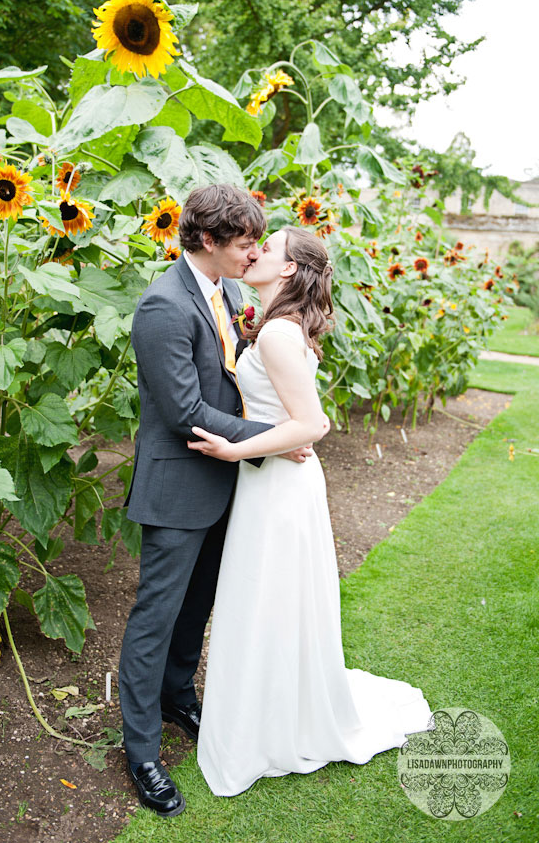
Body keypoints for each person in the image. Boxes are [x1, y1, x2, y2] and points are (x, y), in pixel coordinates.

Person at [188, 225, 435, 797]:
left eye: (266, 249)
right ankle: (274, 708)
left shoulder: (278, 333)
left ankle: (269, 722)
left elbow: (312, 424)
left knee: (265, 594)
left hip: (276, 483)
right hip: (274, 481)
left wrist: (234, 447)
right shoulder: (273, 326)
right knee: (271, 596)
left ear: (290, 270)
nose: (254, 253)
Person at [119, 185, 316, 817]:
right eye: (244, 243)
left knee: (198, 605)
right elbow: (184, 413)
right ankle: (141, 748)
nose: (253, 252)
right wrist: (274, 439)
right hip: (180, 484)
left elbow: (235, 382)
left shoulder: (229, 293)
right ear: (206, 241)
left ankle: (179, 695)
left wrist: (268, 436)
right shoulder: (161, 307)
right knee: (157, 613)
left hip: (231, 483)